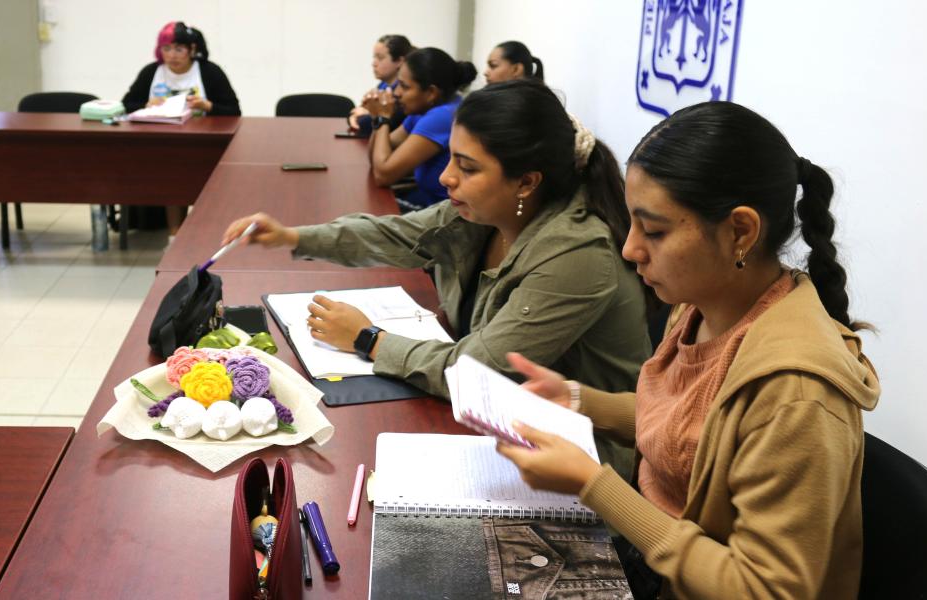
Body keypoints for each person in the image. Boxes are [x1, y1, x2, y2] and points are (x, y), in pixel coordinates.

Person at [497, 101, 880, 599]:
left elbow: (766, 589)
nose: (631, 249)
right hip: (648, 564)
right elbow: (690, 430)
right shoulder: (700, 304)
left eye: (653, 230)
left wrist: (594, 485)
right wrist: (576, 400)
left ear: (740, 232)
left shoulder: (796, 394)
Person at [222, 80, 651, 458]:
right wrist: (293, 237)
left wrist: (368, 338)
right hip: (506, 425)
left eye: (467, 167)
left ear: (526, 182)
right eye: (450, 158)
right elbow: (397, 234)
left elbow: (479, 371)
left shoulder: (577, 253)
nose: (446, 178)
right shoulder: (487, 212)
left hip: (581, 463)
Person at [122, 21, 241, 237]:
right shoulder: (151, 72)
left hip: (203, 144)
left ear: (192, 50)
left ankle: (205, 230)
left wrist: (208, 106)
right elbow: (128, 103)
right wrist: (146, 105)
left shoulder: (209, 72)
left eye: (179, 49)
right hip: (159, 145)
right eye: (166, 49)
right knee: (170, 173)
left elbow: (234, 110)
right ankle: (174, 235)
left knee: (187, 175)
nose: (172, 55)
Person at [363, 47, 477, 211]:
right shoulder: (424, 110)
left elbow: (383, 175)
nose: (396, 92)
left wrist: (383, 118)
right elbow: (377, 157)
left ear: (431, 92)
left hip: (448, 215)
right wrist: (377, 118)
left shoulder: (443, 116)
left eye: (404, 86)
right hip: (429, 205)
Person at [347, 34, 413, 134]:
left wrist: (366, 115)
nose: (374, 63)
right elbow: (357, 111)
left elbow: (366, 123)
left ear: (400, 61)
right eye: (374, 57)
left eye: (380, 58)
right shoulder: (383, 85)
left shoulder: (401, 93)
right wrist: (355, 116)